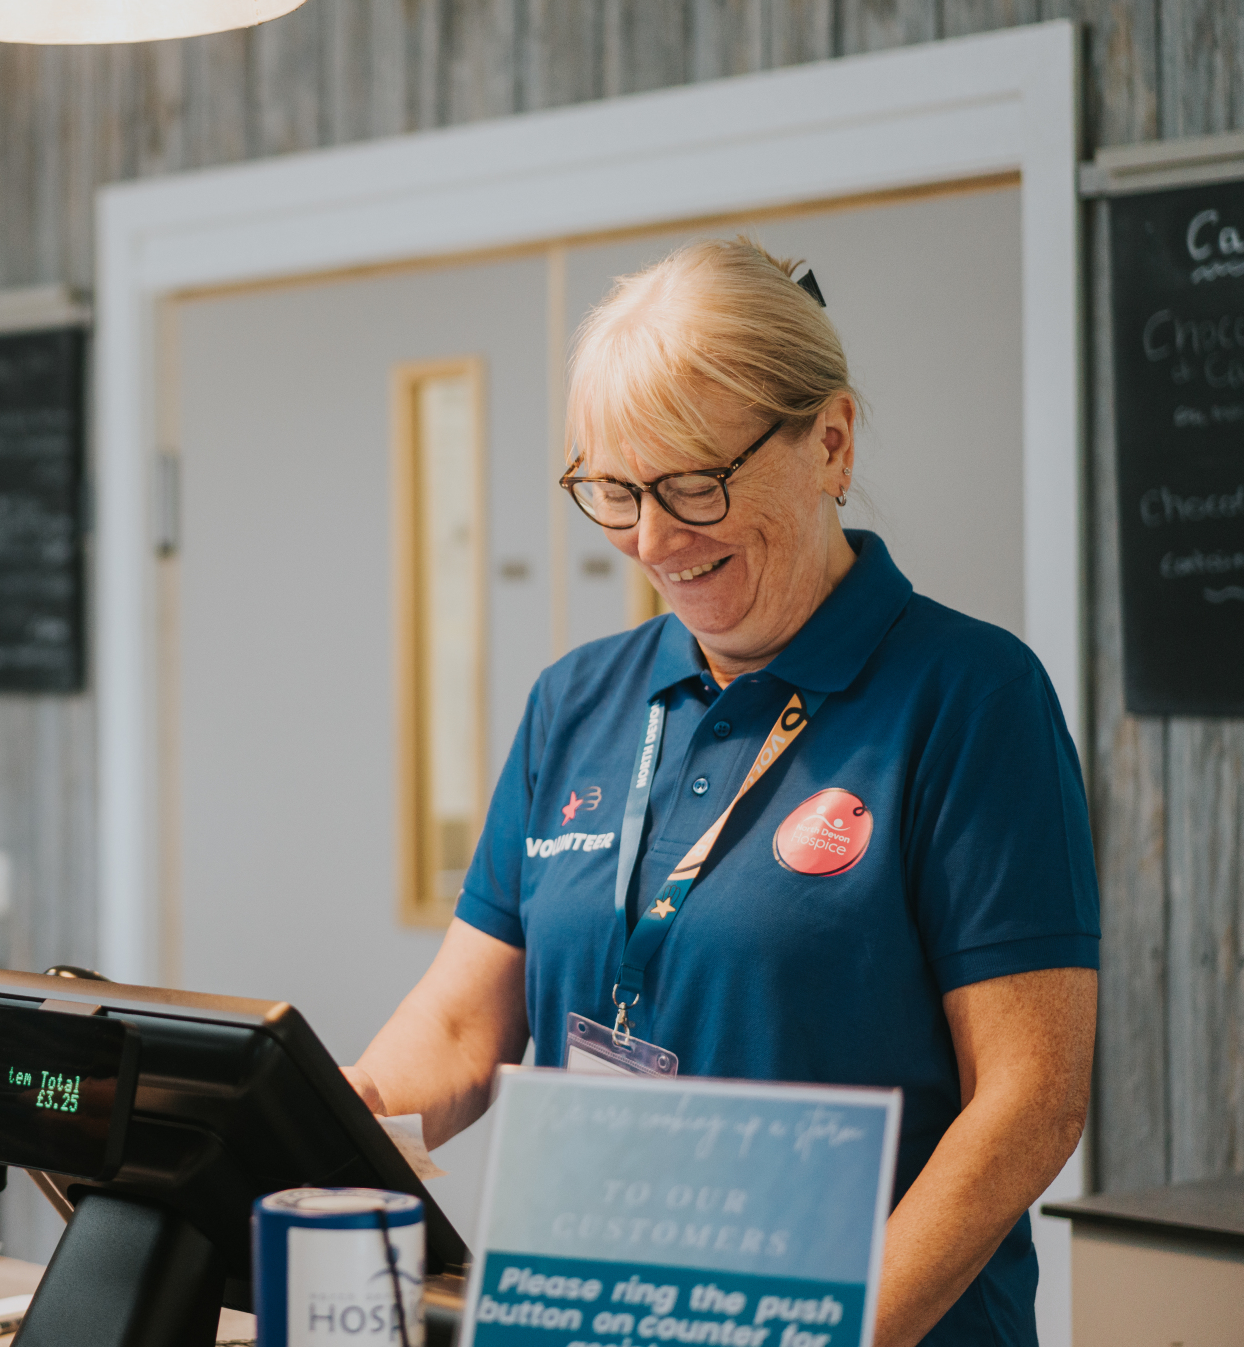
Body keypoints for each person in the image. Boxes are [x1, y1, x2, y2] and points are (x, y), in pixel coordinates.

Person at [344, 238, 1098, 1347]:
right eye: (612, 490)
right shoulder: (577, 701)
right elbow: (462, 1025)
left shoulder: (968, 698)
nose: (650, 539)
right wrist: (315, 1119)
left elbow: (1028, 1103)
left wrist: (836, 1331)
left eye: (692, 483)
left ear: (828, 442)